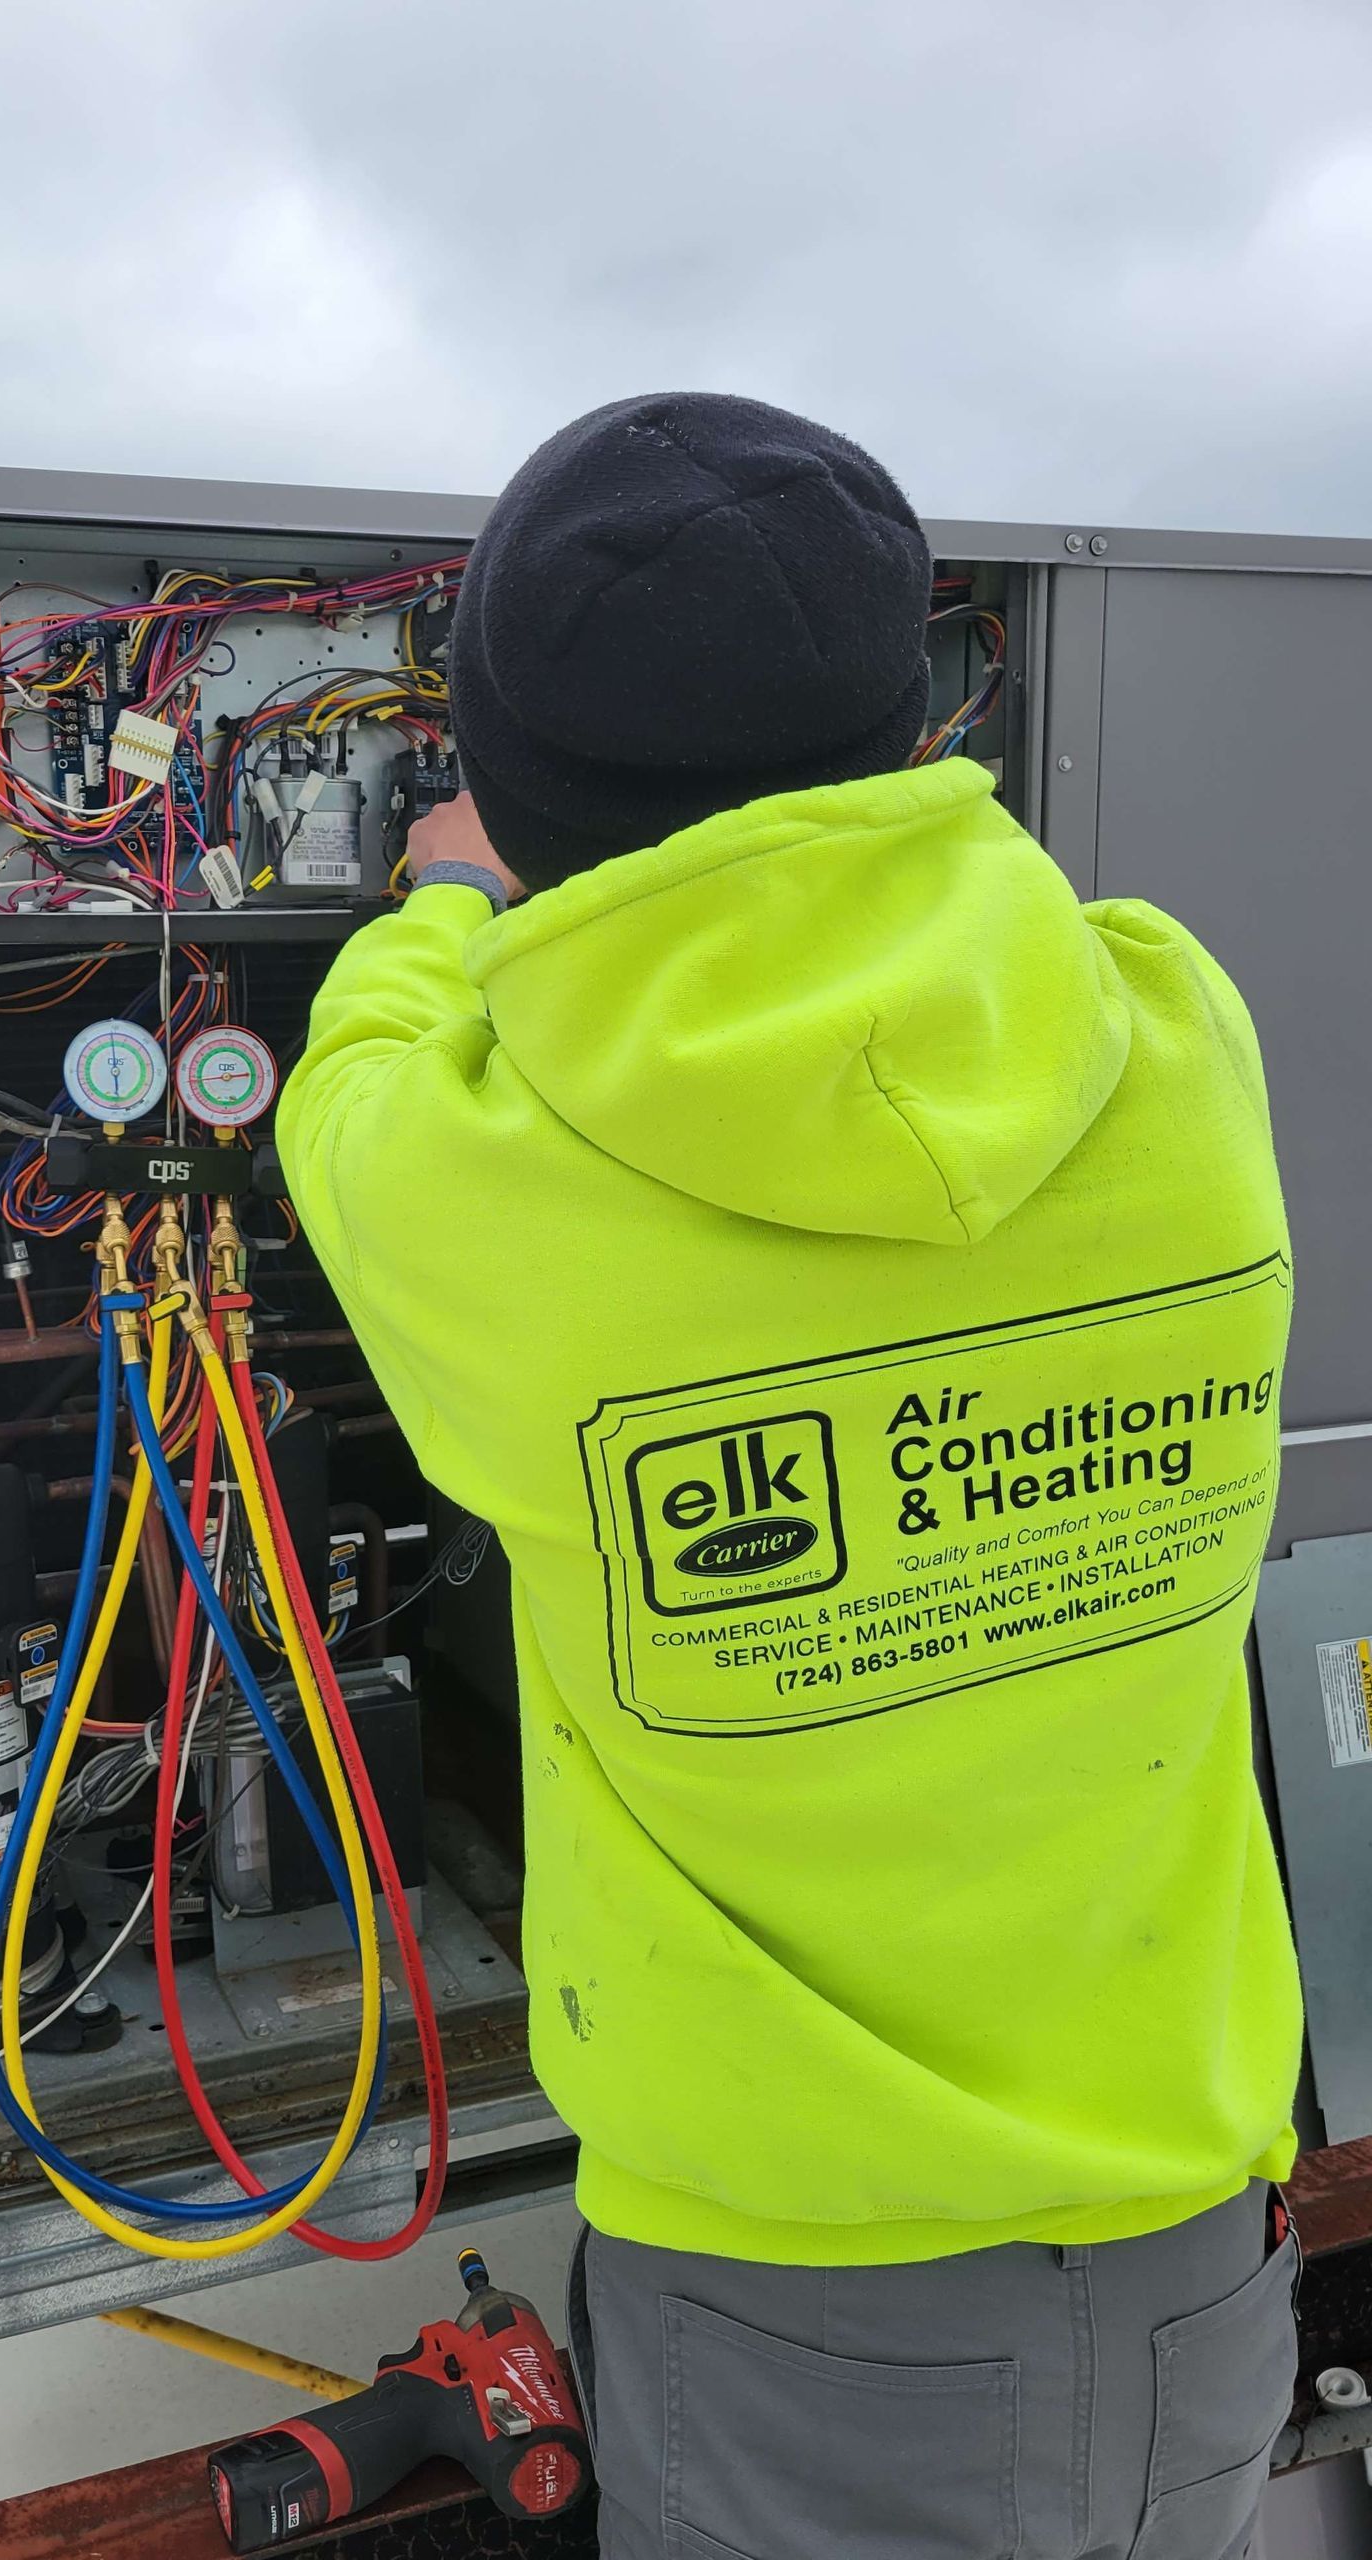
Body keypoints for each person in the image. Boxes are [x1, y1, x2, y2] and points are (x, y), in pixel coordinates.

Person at [276, 393, 1302, 2560]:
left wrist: (446, 895)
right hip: (1207, 2274)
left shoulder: (477, 1184)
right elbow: (996, 916)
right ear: (926, 732)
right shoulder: (1184, 1049)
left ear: (527, 804)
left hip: (800, 2324)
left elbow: (345, 1088)